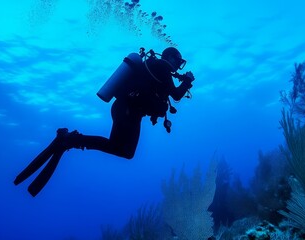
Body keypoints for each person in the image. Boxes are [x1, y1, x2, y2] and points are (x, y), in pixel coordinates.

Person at [14, 47, 195, 196]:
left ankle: (70, 140)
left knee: (122, 149)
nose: (178, 66)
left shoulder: (154, 67)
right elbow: (176, 94)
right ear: (169, 57)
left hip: (126, 110)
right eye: (177, 61)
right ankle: (68, 140)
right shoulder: (162, 67)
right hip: (128, 110)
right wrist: (186, 81)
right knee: (124, 150)